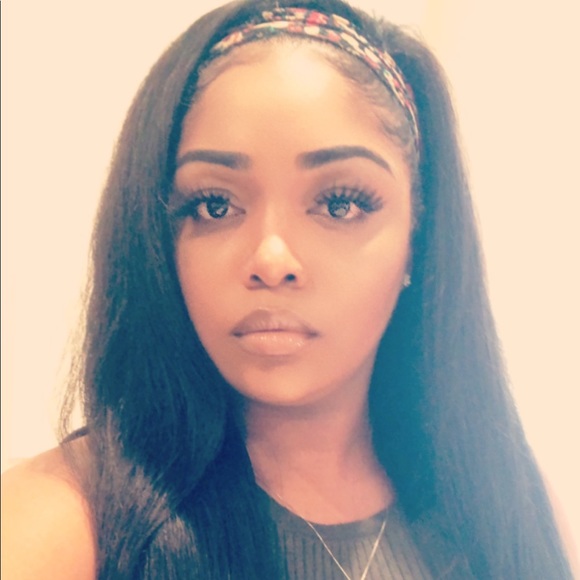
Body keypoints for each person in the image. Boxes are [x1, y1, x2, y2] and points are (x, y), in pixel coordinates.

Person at [2, 0, 575, 578]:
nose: (271, 260)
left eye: (340, 203)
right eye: (215, 205)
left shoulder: (506, 512)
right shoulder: (58, 528)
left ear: (417, 238)